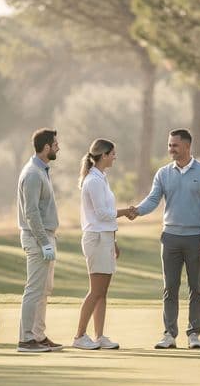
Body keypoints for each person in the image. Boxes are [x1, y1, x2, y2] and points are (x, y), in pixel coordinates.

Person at [130, 129, 200, 349]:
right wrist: (137, 211)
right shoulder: (163, 173)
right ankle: (169, 334)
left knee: (196, 287)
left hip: (196, 238)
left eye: (175, 145)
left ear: (187, 146)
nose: (171, 149)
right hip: (170, 237)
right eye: (169, 145)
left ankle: (194, 334)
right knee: (170, 287)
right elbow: (153, 200)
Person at [73, 139, 134, 350]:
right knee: (96, 291)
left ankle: (99, 336)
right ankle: (79, 336)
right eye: (113, 154)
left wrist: (113, 240)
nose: (115, 157)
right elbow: (102, 214)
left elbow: (105, 216)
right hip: (96, 238)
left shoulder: (101, 178)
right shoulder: (93, 181)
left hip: (104, 237)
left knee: (102, 291)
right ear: (104, 155)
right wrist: (125, 212)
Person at [17, 128, 62, 353]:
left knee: (44, 290)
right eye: (55, 145)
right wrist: (44, 242)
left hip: (45, 237)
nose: (58, 148)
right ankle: (26, 339)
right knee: (34, 290)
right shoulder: (33, 173)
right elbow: (31, 213)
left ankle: (38, 335)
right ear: (46, 148)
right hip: (37, 239)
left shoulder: (41, 170)